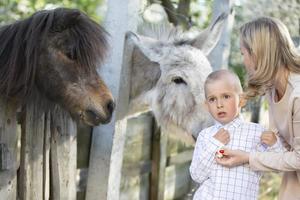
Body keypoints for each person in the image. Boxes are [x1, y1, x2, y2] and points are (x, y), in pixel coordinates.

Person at [215, 16, 300, 200]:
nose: (243, 60)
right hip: (294, 181)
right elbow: (285, 148)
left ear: (257, 53)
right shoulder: (273, 88)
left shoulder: (298, 95)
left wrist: (248, 157)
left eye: (243, 53)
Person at [190, 69, 282, 200]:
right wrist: (214, 144)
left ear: (242, 100)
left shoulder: (257, 133)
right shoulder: (205, 136)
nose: (219, 105)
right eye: (212, 99)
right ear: (206, 105)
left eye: (226, 96)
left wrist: (274, 144)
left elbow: (279, 166)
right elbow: (197, 175)